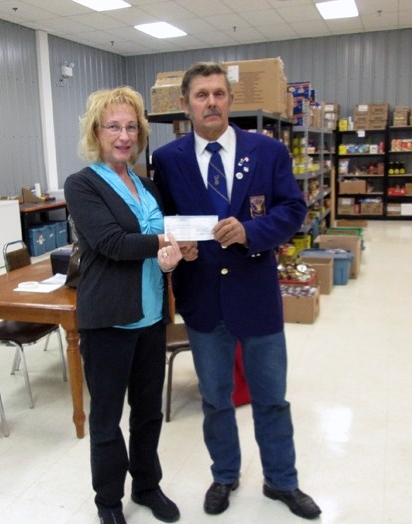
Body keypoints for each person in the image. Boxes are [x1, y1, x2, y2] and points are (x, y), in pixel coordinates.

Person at [151, 62, 322, 520]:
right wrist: (176, 246)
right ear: (186, 105)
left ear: (230, 100)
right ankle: (224, 475)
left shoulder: (266, 152)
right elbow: (162, 222)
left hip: (257, 296)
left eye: (219, 94)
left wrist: (250, 232)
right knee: (215, 399)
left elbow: (293, 210)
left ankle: (282, 481)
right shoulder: (168, 161)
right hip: (203, 299)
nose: (211, 102)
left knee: (271, 397)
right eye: (202, 95)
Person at [64, 86, 195, 524]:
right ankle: (108, 503)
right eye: (113, 127)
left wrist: (179, 253)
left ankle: (146, 485)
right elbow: (111, 243)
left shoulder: (146, 184)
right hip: (107, 322)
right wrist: (166, 240)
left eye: (131, 127)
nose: (123, 136)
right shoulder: (82, 184)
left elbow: (159, 250)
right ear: (96, 133)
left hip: (152, 316)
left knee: (147, 412)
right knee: (106, 419)